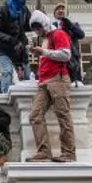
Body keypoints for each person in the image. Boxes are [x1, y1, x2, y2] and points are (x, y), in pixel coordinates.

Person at [26, 11, 75, 163]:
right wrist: (41, 52)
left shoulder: (58, 34)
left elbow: (66, 55)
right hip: (45, 81)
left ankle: (68, 153)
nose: (37, 32)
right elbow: (50, 56)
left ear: (44, 24)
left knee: (63, 115)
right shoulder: (47, 38)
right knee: (35, 115)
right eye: (35, 29)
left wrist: (43, 51)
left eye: (38, 28)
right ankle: (44, 151)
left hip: (58, 79)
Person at [0, 0, 31, 94]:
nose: (23, 4)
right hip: (4, 49)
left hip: (19, 50)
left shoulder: (24, 11)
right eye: (21, 1)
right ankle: (5, 96)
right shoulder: (2, 10)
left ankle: (27, 95)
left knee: (27, 74)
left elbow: (29, 26)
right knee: (7, 72)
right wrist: (11, 40)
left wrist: (39, 18)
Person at [52, 3, 86, 83]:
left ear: (66, 13)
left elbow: (81, 35)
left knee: (73, 83)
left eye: (63, 9)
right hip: (57, 59)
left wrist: (70, 25)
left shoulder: (74, 25)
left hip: (72, 60)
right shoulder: (51, 26)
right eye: (58, 9)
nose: (61, 11)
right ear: (54, 14)